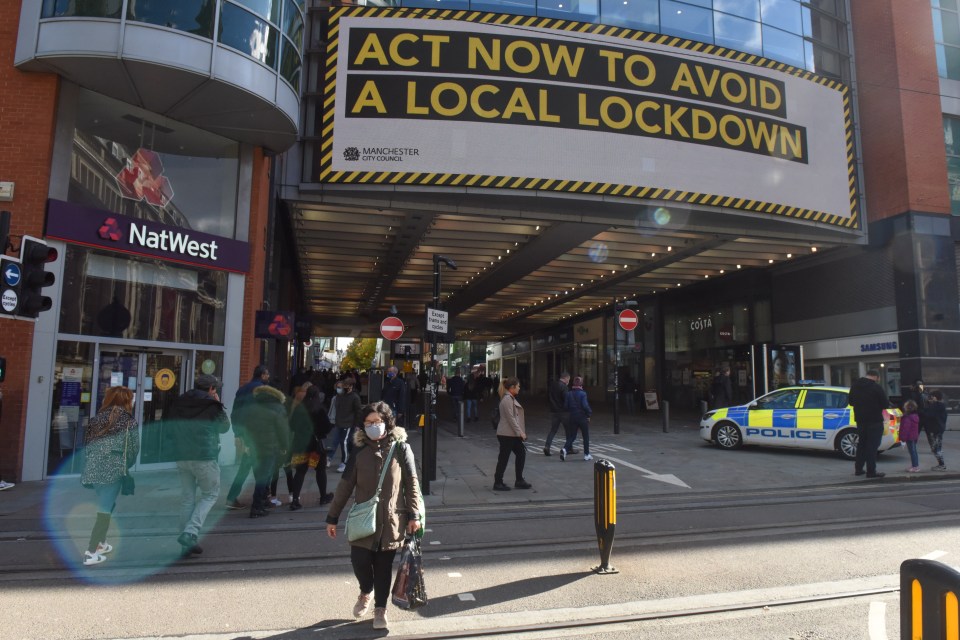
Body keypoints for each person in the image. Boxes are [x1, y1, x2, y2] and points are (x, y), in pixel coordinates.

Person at [325, 401, 423, 631]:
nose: (373, 426)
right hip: (363, 520)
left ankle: (380, 608)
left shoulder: (401, 448)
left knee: (383, 566)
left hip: (391, 521)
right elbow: (345, 486)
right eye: (368, 423)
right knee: (359, 562)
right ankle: (365, 591)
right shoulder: (359, 450)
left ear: (387, 423)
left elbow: (412, 483)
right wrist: (332, 517)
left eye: (377, 422)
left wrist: (414, 514)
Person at [168, 374, 230, 556]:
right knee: (210, 494)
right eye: (215, 388)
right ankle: (190, 533)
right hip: (204, 456)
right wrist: (219, 404)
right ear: (211, 389)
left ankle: (185, 543)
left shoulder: (180, 402)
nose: (216, 391)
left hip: (182, 455)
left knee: (187, 498)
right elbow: (224, 427)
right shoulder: (211, 405)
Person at [79, 386, 140, 566]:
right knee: (104, 510)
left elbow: (87, 445)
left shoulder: (96, 419)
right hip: (113, 469)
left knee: (106, 504)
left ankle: (101, 543)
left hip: (93, 468)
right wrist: (125, 465)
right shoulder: (128, 421)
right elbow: (133, 448)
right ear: (126, 401)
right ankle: (91, 551)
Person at [225, 365, 270, 510]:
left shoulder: (242, 389)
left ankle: (233, 498)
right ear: (262, 375)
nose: (268, 377)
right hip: (257, 434)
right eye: (267, 374)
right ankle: (260, 499)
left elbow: (235, 412)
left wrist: (238, 433)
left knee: (246, 467)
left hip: (244, 433)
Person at [847, 369, 889, 478]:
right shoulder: (876, 387)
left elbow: (851, 402)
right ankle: (871, 471)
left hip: (860, 420)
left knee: (861, 444)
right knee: (872, 447)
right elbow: (885, 404)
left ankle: (859, 469)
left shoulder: (855, 385)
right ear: (876, 377)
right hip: (874, 420)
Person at [493, 377, 531, 491]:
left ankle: (519, 480)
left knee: (521, 454)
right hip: (506, 434)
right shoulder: (507, 400)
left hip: (511, 434)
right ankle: (498, 482)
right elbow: (511, 419)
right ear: (512, 387)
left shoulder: (510, 398)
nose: (519, 388)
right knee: (504, 458)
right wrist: (521, 433)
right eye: (518, 386)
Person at [329, 379, 362, 473]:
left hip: (348, 423)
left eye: (346, 385)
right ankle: (350, 460)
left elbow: (358, 411)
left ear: (351, 386)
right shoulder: (340, 396)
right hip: (339, 422)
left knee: (344, 442)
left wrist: (357, 424)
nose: (344, 387)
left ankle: (344, 462)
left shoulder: (354, 397)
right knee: (345, 442)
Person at [561, 376, 593, 462]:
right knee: (585, 436)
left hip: (572, 417)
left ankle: (565, 449)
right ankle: (586, 454)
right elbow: (585, 406)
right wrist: (589, 414)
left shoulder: (569, 393)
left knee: (572, 436)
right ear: (581, 384)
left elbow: (565, 406)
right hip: (582, 417)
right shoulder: (583, 394)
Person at [544, 373, 570, 456]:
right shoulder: (564, 387)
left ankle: (547, 446)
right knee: (568, 430)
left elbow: (549, 397)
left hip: (554, 411)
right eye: (568, 379)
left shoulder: (553, 385)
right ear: (565, 378)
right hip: (563, 412)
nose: (568, 381)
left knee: (553, 430)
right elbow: (567, 399)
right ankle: (569, 448)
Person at [925, 390, 948, 471]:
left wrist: (929, 405)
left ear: (935, 397)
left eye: (932, 396)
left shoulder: (936, 405)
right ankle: (941, 464)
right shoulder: (942, 405)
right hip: (939, 428)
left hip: (935, 429)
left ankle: (942, 465)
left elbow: (928, 414)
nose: (931, 398)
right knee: (937, 447)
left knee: (936, 448)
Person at [900, 399, 921, 473]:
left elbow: (905, 429)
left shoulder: (908, 418)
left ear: (908, 408)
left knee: (912, 452)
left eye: (905, 406)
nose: (904, 407)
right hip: (914, 437)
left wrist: (902, 438)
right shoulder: (915, 416)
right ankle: (915, 465)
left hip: (909, 437)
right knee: (913, 451)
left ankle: (915, 467)